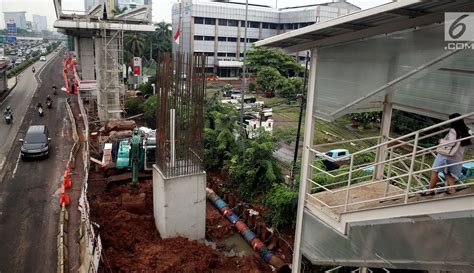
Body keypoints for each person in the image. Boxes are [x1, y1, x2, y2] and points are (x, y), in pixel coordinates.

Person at [425, 113, 472, 195]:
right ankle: (453, 190)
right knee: (446, 172)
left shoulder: (453, 130)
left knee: (435, 171)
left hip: (445, 156)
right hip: (456, 157)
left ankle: (430, 191)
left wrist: (441, 141)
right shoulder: (465, 132)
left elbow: (451, 143)